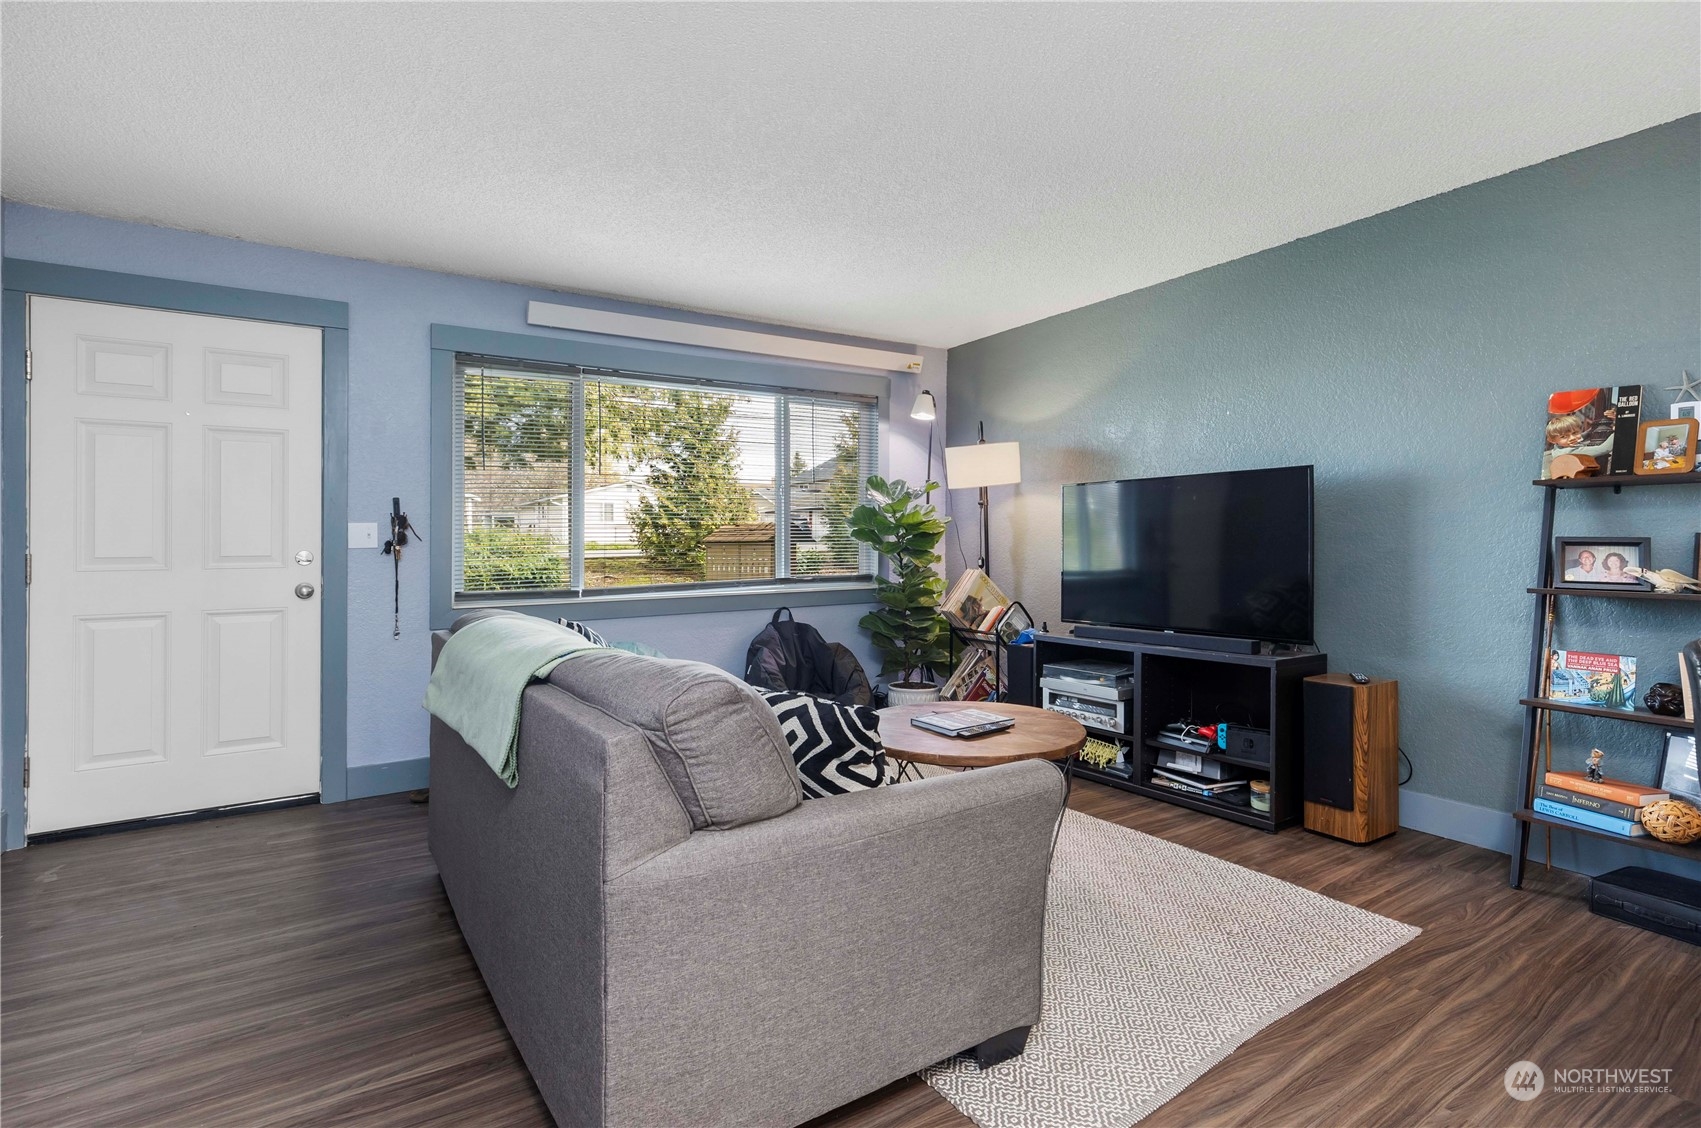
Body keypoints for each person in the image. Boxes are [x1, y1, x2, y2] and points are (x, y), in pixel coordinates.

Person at [1543, 414, 1616, 478]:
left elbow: (1582, 436)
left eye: (1575, 433)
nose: (1572, 438)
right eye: (1564, 436)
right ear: (1552, 440)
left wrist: (1593, 428)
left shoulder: (1559, 448)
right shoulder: (1570, 451)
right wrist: (1618, 431)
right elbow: (1604, 449)